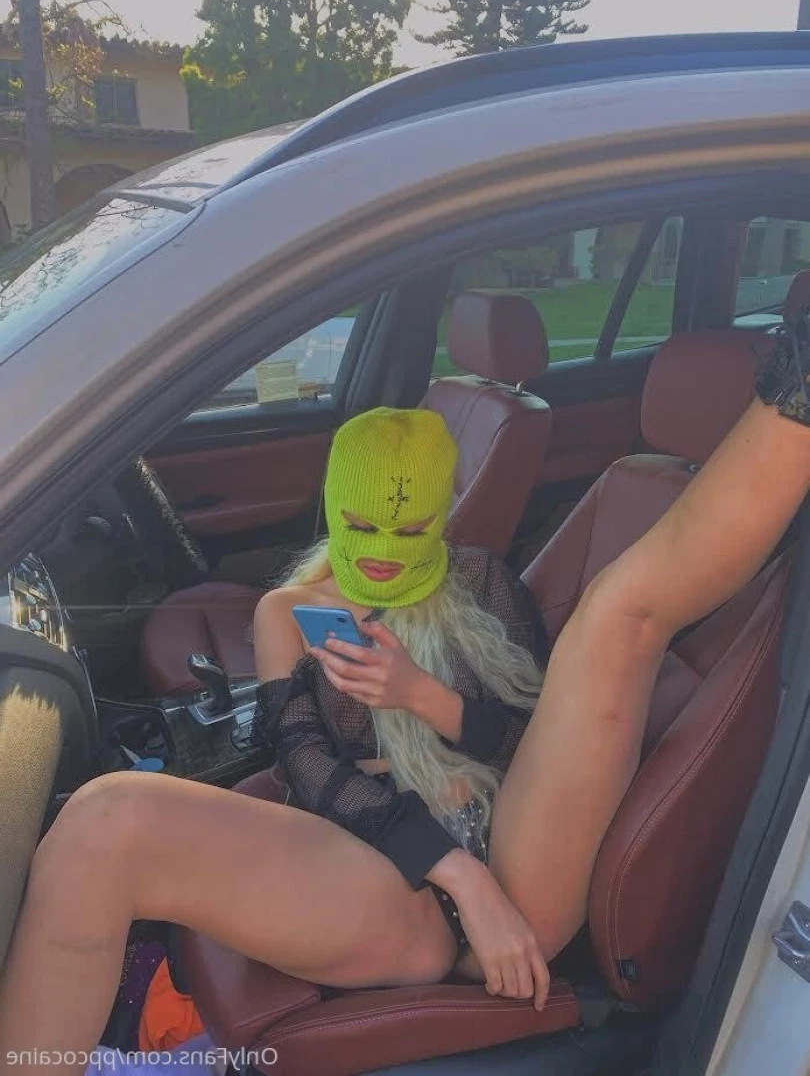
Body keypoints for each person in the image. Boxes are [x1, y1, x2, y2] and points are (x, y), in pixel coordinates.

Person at [3, 345, 810, 1074]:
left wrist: (419, 696)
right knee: (97, 821)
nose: (384, 548)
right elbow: (304, 767)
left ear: (440, 512)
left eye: (410, 526)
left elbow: (531, 739)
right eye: (360, 525)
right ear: (334, 507)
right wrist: (459, 874)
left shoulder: (483, 583)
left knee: (617, 614)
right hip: (387, 860)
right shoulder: (287, 612)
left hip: (511, 842)